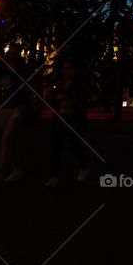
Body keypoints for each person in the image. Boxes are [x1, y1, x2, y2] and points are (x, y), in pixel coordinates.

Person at [46, 58, 90, 187]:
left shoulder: (79, 84)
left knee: (74, 146)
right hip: (60, 117)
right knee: (55, 147)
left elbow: (82, 99)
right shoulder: (59, 82)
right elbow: (52, 97)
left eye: (69, 68)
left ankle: (83, 166)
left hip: (73, 118)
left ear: (75, 70)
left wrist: (68, 98)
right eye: (65, 68)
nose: (66, 71)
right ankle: (53, 176)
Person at [0, 50, 28, 183]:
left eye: (15, 52)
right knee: (10, 141)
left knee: (6, 139)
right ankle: (17, 170)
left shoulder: (22, 69)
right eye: (10, 52)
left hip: (17, 106)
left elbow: (26, 86)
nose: (12, 55)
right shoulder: (2, 68)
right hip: (3, 107)